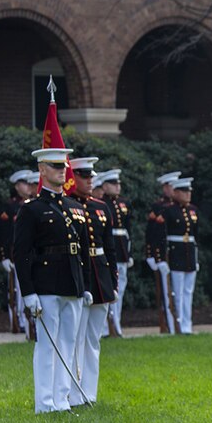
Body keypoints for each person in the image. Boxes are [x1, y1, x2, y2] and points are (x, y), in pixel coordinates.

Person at [13, 147, 93, 413]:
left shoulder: (75, 207)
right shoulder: (32, 210)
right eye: (56, 166)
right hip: (46, 284)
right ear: (42, 170)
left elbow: (82, 251)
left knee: (69, 344)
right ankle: (45, 403)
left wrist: (87, 286)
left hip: (72, 283)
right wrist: (28, 293)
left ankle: (62, 400)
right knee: (48, 345)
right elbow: (21, 255)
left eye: (63, 166)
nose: (62, 171)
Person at [68, 156, 117, 405]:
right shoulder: (66, 206)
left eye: (90, 176)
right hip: (80, 277)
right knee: (76, 339)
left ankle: (90, 392)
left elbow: (110, 248)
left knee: (93, 340)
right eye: (84, 176)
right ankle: (75, 394)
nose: (89, 180)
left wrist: (113, 282)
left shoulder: (101, 207)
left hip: (101, 278)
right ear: (72, 178)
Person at [147, 176, 200, 334]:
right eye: (184, 191)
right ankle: (174, 324)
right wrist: (160, 259)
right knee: (175, 292)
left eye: (189, 191)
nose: (187, 194)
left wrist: (196, 257)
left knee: (188, 292)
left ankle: (186, 325)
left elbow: (195, 237)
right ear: (175, 192)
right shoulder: (168, 211)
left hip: (189, 254)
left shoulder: (193, 210)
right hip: (174, 255)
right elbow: (159, 237)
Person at [0, 169, 38, 335]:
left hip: (34, 254)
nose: (27, 187)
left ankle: (30, 320)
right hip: (18, 255)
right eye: (25, 183)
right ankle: (19, 320)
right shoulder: (12, 206)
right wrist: (5, 256)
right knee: (18, 291)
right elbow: (5, 234)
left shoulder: (32, 205)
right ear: (17, 186)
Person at [98, 168, 132, 336]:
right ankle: (108, 326)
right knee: (110, 288)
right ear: (104, 186)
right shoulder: (102, 204)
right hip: (109, 250)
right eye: (113, 183)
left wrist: (129, 252)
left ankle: (116, 323)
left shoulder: (122, 203)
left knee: (121, 289)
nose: (117, 186)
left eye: (118, 183)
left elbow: (128, 230)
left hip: (122, 250)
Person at [146, 171, 181, 333]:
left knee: (179, 290)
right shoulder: (158, 207)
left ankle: (179, 323)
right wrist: (153, 255)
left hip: (176, 253)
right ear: (165, 188)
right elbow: (152, 234)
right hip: (164, 253)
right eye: (171, 186)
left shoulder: (180, 207)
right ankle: (168, 323)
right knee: (166, 291)